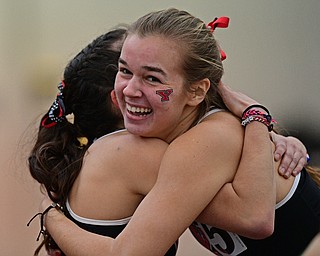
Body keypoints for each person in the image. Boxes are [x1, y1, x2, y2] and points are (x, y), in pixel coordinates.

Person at [31, 8, 319, 255]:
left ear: (196, 91)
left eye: (152, 78)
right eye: (124, 70)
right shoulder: (164, 145)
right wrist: (260, 124)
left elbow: (256, 220)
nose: (129, 90)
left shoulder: (209, 137)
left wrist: (50, 215)